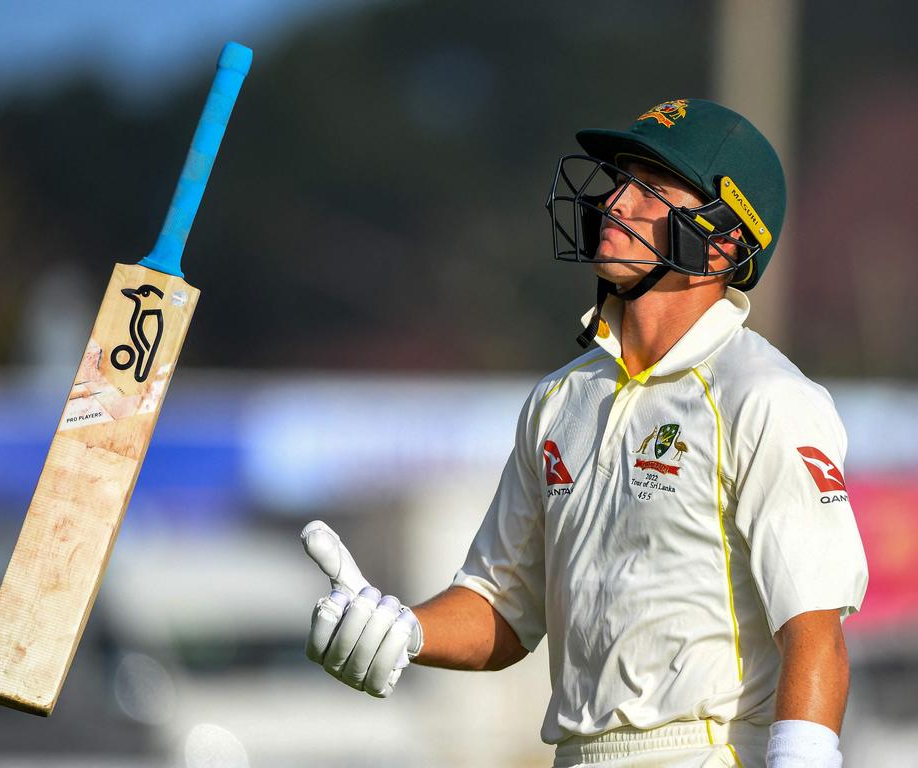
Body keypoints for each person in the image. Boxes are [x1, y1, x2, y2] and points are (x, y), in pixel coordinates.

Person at [301, 98, 868, 768]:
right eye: (621, 181)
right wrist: (402, 630)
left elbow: (815, 637)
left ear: (721, 238)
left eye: (651, 190)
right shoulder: (559, 400)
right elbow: (505, 613)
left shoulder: (766, 397)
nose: (616, 202)